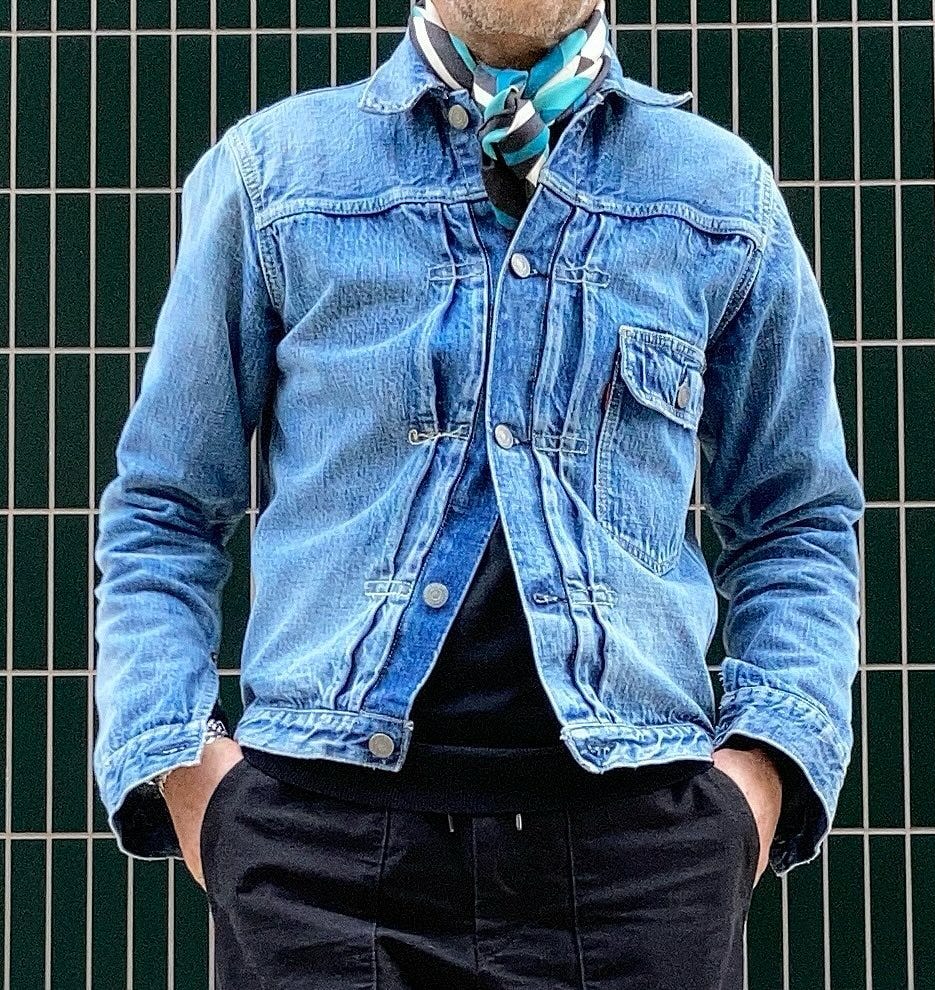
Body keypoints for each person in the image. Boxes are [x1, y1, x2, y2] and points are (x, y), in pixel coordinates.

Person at [92, 1, 865, 987]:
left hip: (639, 868)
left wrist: (762, 778)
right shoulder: (272, 176)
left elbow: (796, 522)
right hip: (316, 863)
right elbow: (162, 509)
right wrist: (186, 771)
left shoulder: (719, 196)